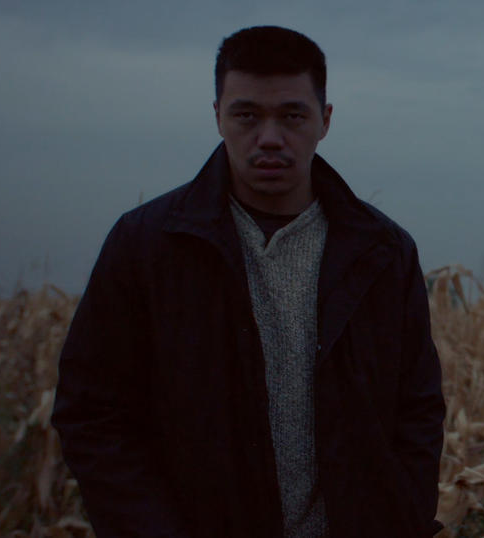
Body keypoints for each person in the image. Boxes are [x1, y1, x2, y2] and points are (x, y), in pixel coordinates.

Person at [51, 25, 446, 538]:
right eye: (246, 115)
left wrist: (402, 519)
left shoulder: (383, 252)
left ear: (324, 121)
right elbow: (91, 414)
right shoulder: (147, 244)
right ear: (217, 116)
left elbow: (417, 411)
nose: (269, 138)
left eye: (291, 116)